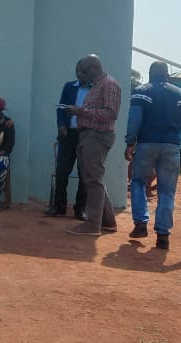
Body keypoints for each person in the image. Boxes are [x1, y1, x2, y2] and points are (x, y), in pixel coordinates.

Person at [125, 62, 181, 250]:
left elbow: (134, 120)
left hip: (146, 144)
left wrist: (130, 143)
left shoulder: (141, 92)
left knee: (138, 182)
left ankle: (140, 223)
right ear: (167, 75)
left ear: (150, 74)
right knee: (167, 191)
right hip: (171, 147)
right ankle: (163, 235)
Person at [64, 54, 121, 237]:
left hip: (98, 136)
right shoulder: (97, 86)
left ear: (94, 68)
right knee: (93, 179)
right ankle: (108, 221)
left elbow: (111, 113)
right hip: (88, 135)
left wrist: (81, 111)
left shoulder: (109, 84)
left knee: (93, 181)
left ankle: (92, 224)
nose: (82, 76)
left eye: (84, 72)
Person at [46, 72, 90, 220]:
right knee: (61, 171)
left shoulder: (96, 89)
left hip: (86, 135)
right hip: (68, 135)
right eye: (79, 70)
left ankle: (80, 210)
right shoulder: (69, 86)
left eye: (84, 70)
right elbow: (60, 108)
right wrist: (61, 125)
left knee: (84, 173)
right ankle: (59, 207)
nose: (81, 73)